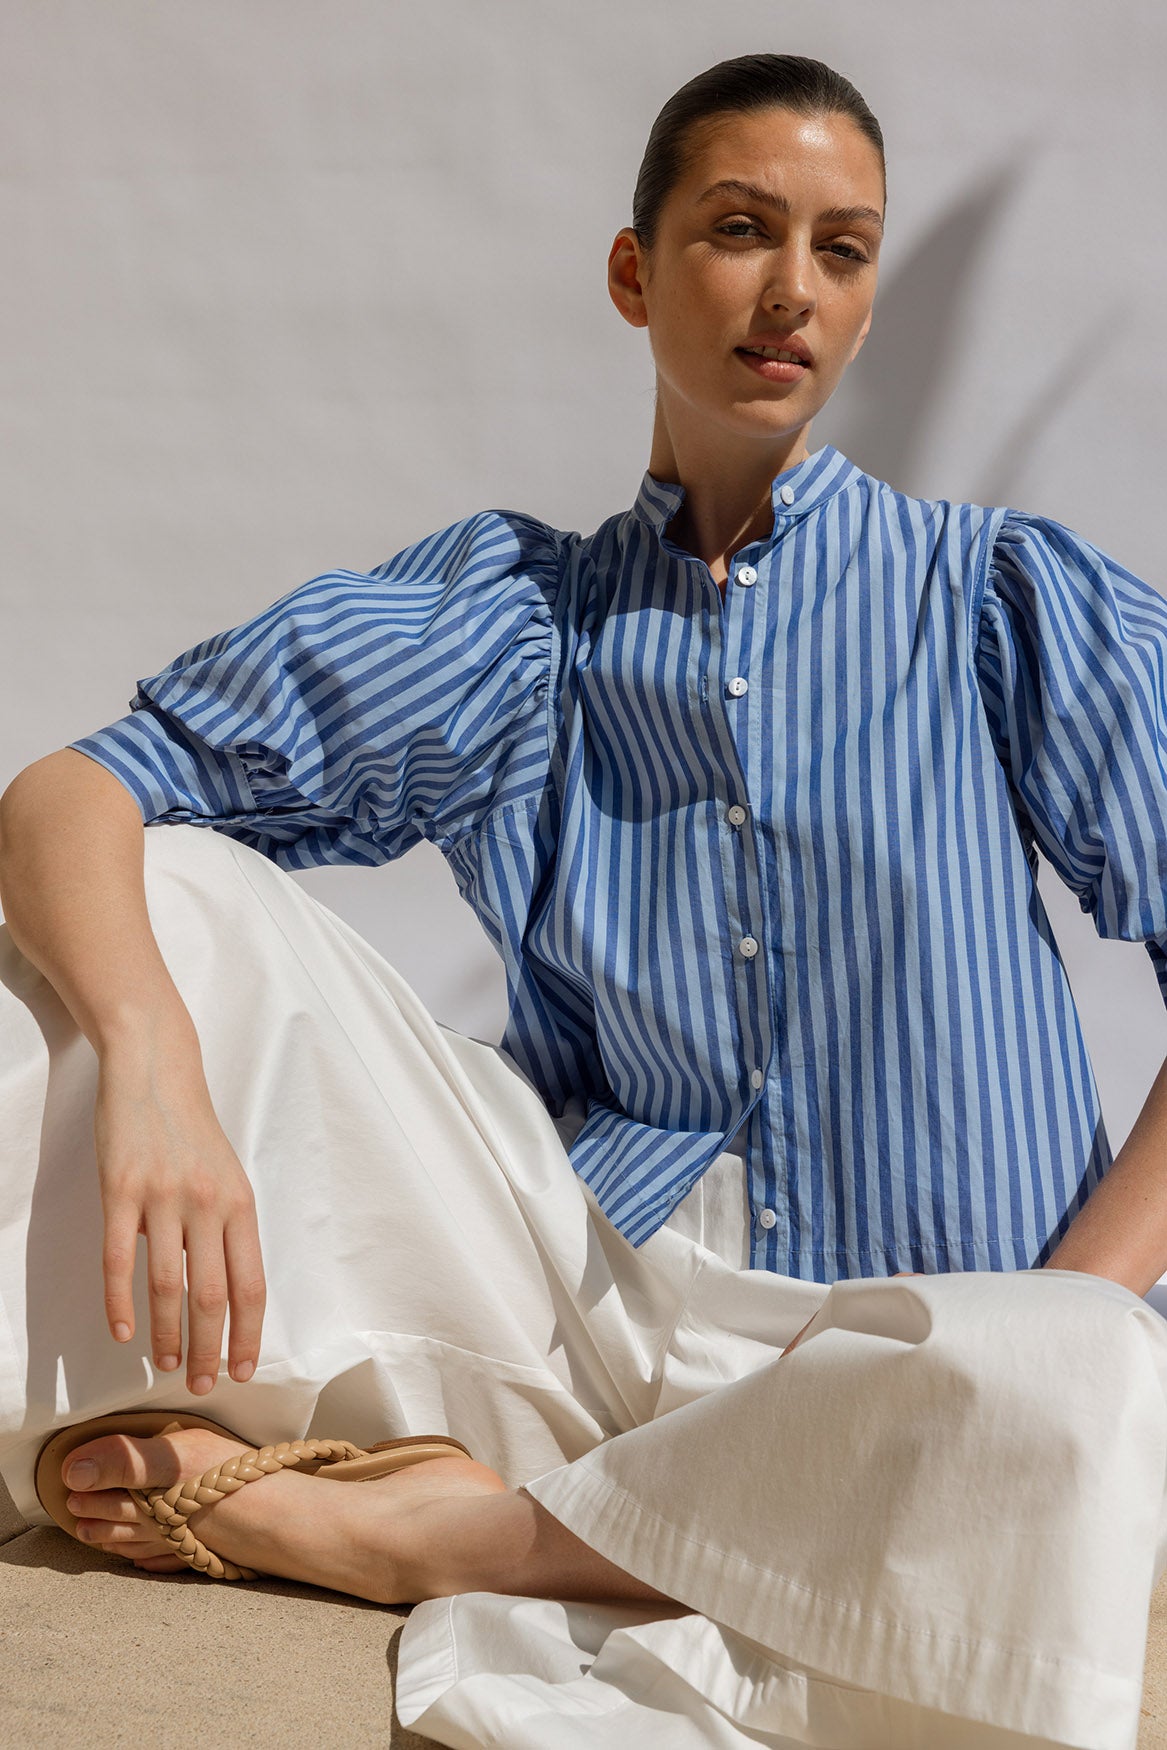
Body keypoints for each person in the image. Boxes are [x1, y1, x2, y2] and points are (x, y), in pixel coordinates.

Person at [3, 49, 1167, 1749]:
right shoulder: (520, 623)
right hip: (601, 1308)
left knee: (1086, 1388)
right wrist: (155, 1062)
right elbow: (76, 792)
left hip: (948, 1339)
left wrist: (1076, 1301)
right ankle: (643, 1512)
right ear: (635, 271)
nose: (793, 288)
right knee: (172, 893)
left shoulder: (993, 598)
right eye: (741, 229)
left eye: (842, 250)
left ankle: (450, 1535)